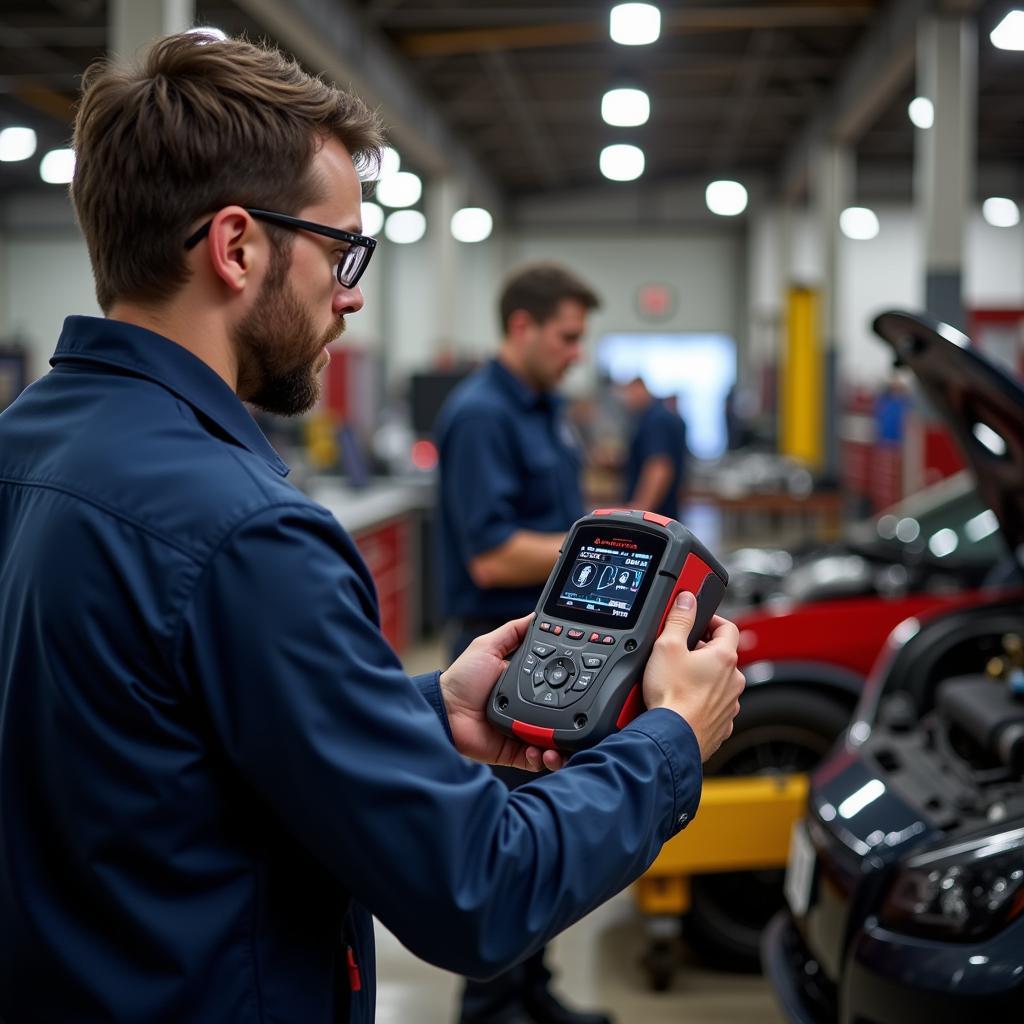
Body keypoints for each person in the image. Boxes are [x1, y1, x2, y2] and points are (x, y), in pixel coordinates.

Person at [0, 33, 745, 1024]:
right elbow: (477, 886)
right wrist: (667, 741)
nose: (351, 292)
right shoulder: (246, 533)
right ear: (236, 247)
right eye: (343, 249)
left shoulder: (23, 448)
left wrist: (424, 707)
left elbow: (144, 731)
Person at [436, 265, 613, 1024]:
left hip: (554, 647)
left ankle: (528, 990)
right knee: (507, 843)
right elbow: (492, 553)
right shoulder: (481, 415)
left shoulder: (544, 409)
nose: (577, 352)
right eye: (568, 337)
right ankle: (489, 1008)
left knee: (546, 829)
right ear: (522, 328)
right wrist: (605, 547)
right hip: (501, 656)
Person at [621, 377, 689, 521]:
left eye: (628, 394)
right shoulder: (662, 414)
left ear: (639, 389)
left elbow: (659, 466)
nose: (626, 401)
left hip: (656, 517)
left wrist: (640, 513)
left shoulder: (656, 420)